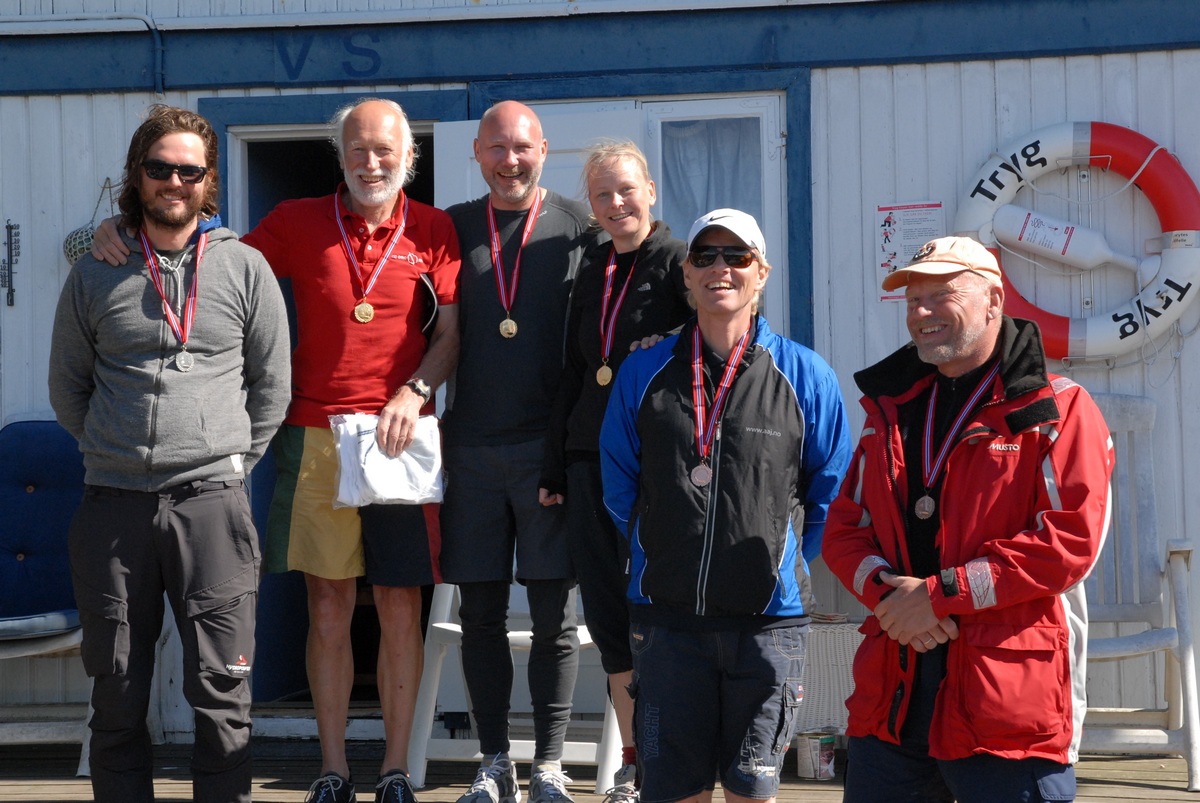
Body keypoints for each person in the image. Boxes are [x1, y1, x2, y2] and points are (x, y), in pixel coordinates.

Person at [90, 97, 462, 803]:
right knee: (328, 604)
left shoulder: (435, 228)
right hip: (315, 434)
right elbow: (204, 251)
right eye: (358, 149)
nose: (371, 163)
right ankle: (332, 769)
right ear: (340, 156)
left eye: (385, 150)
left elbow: (450, 334)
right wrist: (120, 227)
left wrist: (415, 390)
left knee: (399, 606)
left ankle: (396, 770)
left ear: (409, 157)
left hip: (400, 435)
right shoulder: (296, 220)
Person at [49, 104, 291, 803]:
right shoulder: (96, 271)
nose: (174, 182)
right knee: (117, 693)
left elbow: (273, 385)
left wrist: (229, 460)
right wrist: (113, 447)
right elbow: (68, 386)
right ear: (137, 174)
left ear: (209, 180)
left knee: (222, 694)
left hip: (212, 507)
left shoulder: (245, 267)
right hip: (113, 508)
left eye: (190, 170)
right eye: (160, 168)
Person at [821, 236, 1114, 803]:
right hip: (895, 696)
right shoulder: (888, 410)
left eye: (941, 295)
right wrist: (891, 598)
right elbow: (844, 530)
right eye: (913, 300)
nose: (922, 312)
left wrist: (938, 597)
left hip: (1007, 706)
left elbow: (1069, 542)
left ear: (994, 300)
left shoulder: (1058, 408)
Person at [599, 208, 853, 803]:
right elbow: (618, 487)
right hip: (667, 622)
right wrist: (661, 550)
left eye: (737, 256)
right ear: (687, 274)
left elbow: (830, 493)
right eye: (705, 256)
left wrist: (783, 561)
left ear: (761, 273)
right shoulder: (643, 371)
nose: (721, 268)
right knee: (674, 793)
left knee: (751, 794)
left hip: (768, 627)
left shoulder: (806, 376)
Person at [439, 100, 596, 803]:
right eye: (497, 148)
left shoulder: (580, 227)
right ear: (477, 152)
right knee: (480, 616)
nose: (510, 161)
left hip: (545, 453)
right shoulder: (449, 227)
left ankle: (549, 764)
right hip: (470, 450)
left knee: (555, 617)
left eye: (522, 147)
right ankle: (494, 759)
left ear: (544, 150)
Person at [539, 140, 691, 803]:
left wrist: (673, 343)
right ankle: (634, 764)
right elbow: (575, 373)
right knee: (607, 617)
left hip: (653, 465)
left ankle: (672, 762)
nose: (616, 203)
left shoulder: (683, 261)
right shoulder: (592, 266)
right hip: (585, 462)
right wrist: (554, 465)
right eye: (602, 194)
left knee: (657, 612)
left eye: (626, 189)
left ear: (650, 190)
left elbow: (719, 346)